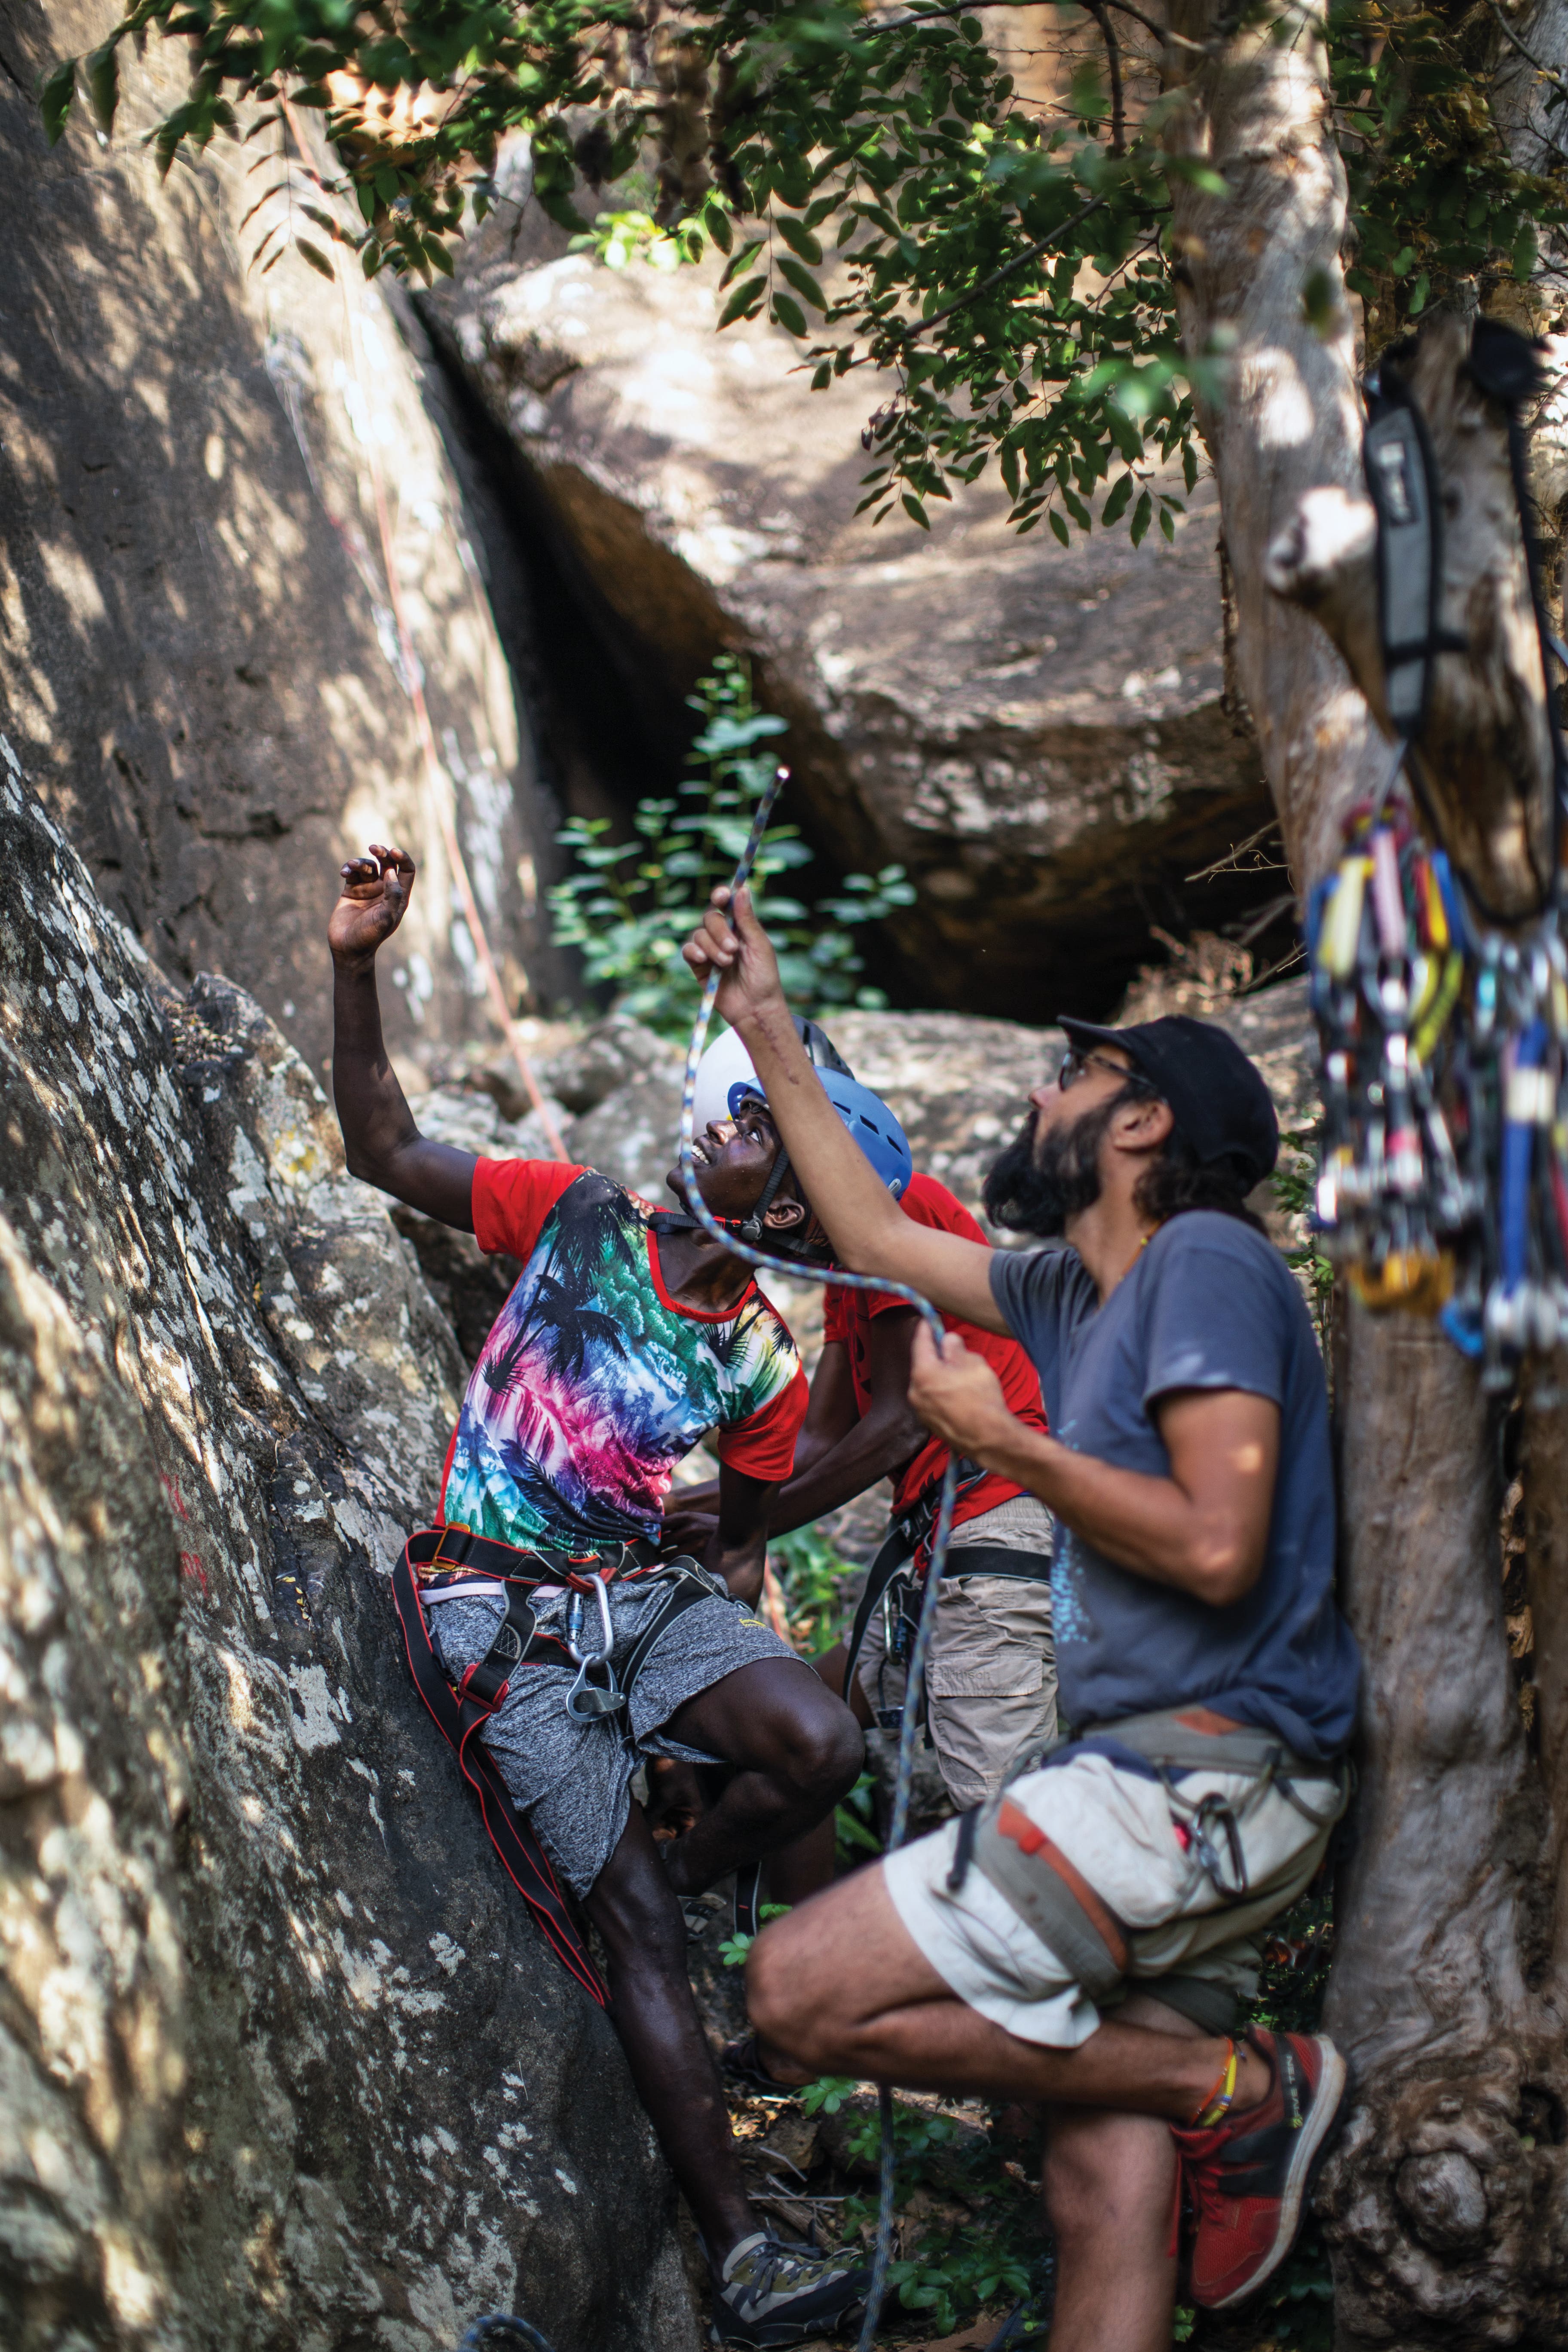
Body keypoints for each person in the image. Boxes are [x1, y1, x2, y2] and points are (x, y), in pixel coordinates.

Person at [683, 884, 1360, 2352]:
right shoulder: (1064, 1288)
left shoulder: (1205, 1264)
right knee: (1096, 2170)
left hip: (1203, 1778)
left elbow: (1214, 1542)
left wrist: (1004, 1445)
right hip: (1176, 1788)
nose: (1037, 1090)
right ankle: (1188, 2100)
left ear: (1137, 1129)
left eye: (1072, 1075)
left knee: (798, 1989)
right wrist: (765, 1023)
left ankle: (1237, 2091)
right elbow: (861, 1222)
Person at [329, 842, 882, 2350]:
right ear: (745, 1141)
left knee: (818, 1737)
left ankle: (688, 1879)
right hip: (491, 1604)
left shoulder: (762, 1355)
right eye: (793, 1143)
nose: (801, 1181)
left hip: (636, 1594)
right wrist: (356, 960)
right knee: (629, 1924)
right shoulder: (571, 1213)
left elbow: (742, 1543)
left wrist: (713, 1697)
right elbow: (382, 1147)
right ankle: (745, 2250)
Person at [666, 1157, 1058, 1822]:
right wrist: (665, 1504)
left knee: (1007, 1832)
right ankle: (757, 1913)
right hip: (937, 1546)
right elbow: (817, 1443)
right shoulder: (849, 1272)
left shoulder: (904, 1208)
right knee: (799, 1740)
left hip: (991, 1532)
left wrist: (748, 1529)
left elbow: (901, 1424)